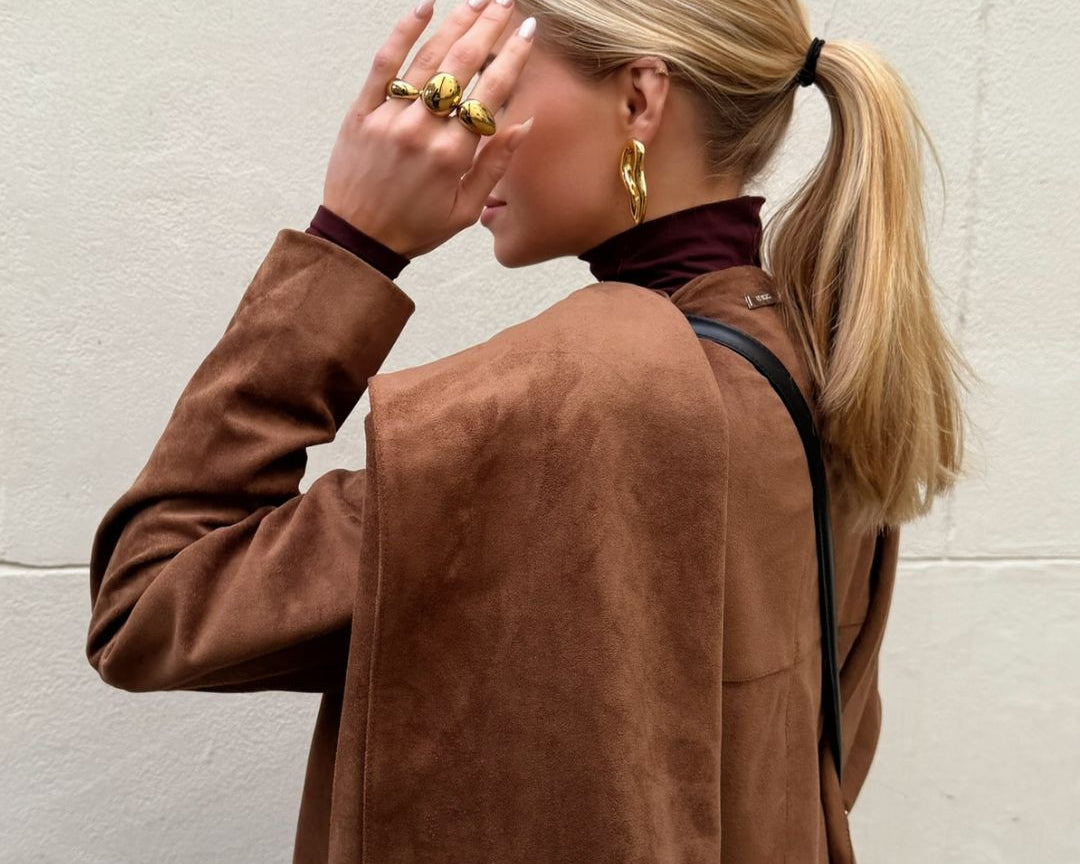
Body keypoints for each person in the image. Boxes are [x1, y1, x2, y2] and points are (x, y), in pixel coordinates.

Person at [85, 0, 973, 861]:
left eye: (497, 88)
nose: (462, 131)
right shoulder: (829, 353)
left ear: (639, 100)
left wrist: (353, 240)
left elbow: (150, 602)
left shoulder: (559, 404)